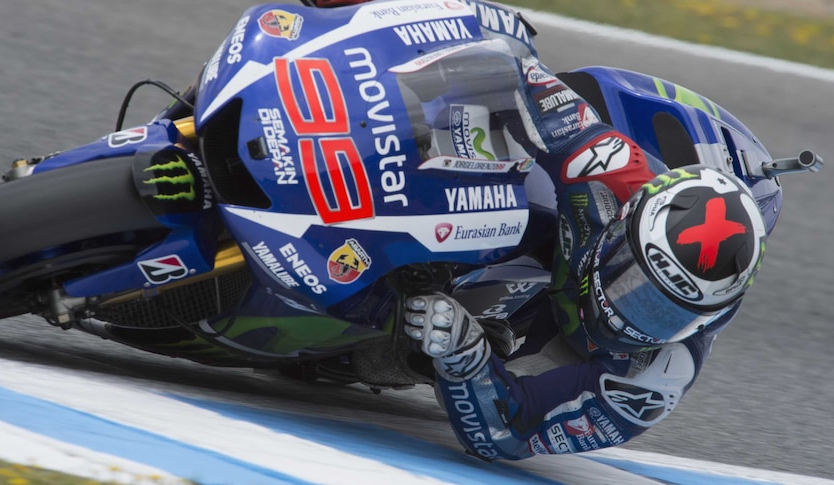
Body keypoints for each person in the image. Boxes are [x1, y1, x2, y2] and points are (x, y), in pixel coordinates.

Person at [304, 0, 768, 459]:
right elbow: (526, 84)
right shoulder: (615, 172)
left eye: (665, 316)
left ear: (706, 319)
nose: (634, 316)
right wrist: (442, 63)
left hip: (560, 347)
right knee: (482, 142)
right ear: (624, 226)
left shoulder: (651, 380)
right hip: (562, 247)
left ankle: (425, 330)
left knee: (393, 355)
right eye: (636, 284)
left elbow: (509, 433)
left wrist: (466, 359)